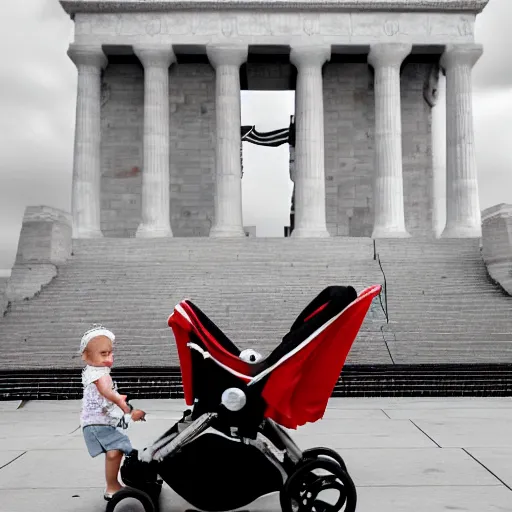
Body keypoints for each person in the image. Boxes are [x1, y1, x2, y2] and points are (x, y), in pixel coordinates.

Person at [79, 325, 146, 501]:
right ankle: (112, 487)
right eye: (103, 354)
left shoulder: (95, 372)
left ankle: (113, 485)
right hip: (97, 423)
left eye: (110, 353)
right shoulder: (100, 376)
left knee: (115, 451)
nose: (109, 358)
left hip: (96, 422)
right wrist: (127, 409)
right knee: (116, 449)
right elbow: (107, 393)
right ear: (86, 356)